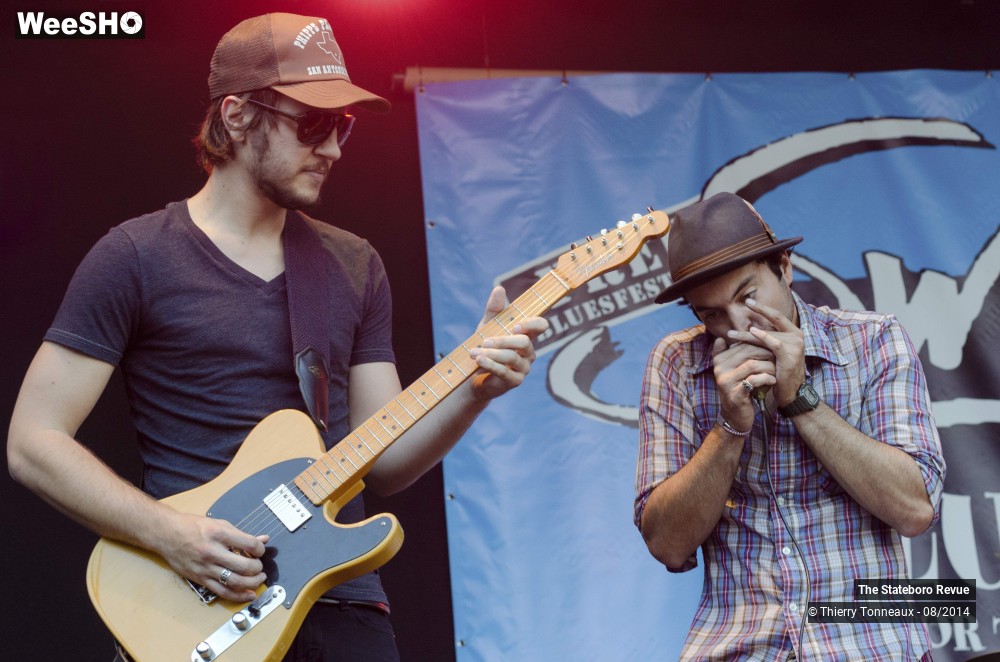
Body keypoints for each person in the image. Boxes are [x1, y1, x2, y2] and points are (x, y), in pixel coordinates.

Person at [6, 12, 547, 662]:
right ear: (236, 116)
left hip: (339, 597)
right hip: (195, 599)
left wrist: (475, 391)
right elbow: (33, 443)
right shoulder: (135, 257)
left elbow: (385, 462)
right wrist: (171, 535)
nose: (335, 148)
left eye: (342, 126)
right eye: (313, 124)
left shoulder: (355, 265)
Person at [634, 192, 945, 660]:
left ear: (784, 266)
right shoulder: (676, 363)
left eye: (747, 297)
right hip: (739, 647)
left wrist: (800, 398)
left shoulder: (873, 339)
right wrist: (729, 427)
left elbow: (914, 510)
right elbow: (667, 545)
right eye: (710, 313)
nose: (736, 326)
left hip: (870, 644)